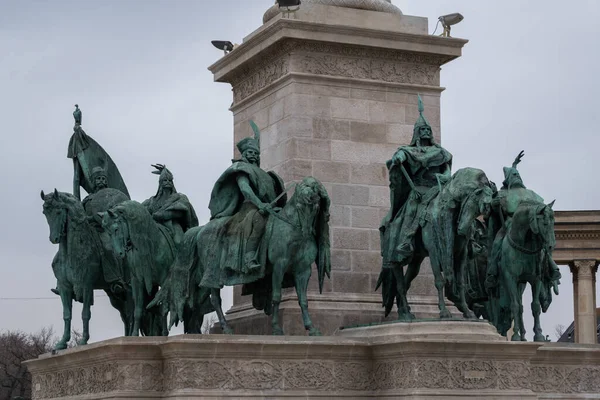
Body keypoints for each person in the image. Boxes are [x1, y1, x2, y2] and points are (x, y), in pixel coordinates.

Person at [199, 133, 286, 288]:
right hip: (250, 208)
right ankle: (249, 256)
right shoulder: (241, 169)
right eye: (250, 153)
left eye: (256, 153)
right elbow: (245, 190)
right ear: (244, 154)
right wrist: (260, 205)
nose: (253, 155)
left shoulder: (267, 175)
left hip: (269, 207)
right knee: (258, 220)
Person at [380, 95, 453, 269]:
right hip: (419, 190)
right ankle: (405, 241)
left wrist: (445, 176)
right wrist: (398, 157)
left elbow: (447, 170)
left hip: (438, 189)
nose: (426, 132)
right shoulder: (409, 150)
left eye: (428, 129)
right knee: (412, 210)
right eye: (422, 130)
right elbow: (401, 155)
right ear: (416, 134)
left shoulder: (441, 152)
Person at [485, 151, 561, 289]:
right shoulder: (502, 194)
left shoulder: (531, 194)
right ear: (508, 180)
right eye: (513, 176)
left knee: (543, 244)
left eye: (517, 175)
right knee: (496, 244)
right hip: (509, 225)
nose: (516, 177)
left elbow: (541, 210)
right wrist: (494, 205)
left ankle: (551, 267)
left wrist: (514, 166)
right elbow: (491, 212)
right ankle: (492, 272)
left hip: (530, 226)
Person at [142, 164, 198, 246]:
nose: (168, 182)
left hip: (173, 227)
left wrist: (162, 215)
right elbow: (140, 208)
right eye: (165, 180)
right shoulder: (152, 200)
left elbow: (182, 211)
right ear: (160, 183)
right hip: (154, 227)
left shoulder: (179, 197)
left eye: (170, 180)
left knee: (179, 243)